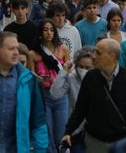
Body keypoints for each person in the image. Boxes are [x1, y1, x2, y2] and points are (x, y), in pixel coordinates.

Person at [62, 39, 126, 153]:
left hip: (123, 143)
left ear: (112, 57)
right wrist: (68, 132)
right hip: (94, 142)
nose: (93, 56)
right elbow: (80, 109)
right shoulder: (90, 77)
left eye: (98, 53)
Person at [31, 19, 70, 152]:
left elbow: (70, 70)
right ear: (40, 32)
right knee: (47, 132)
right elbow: (31, 75)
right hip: (44, 95)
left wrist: (65, 69)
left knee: (60, 132)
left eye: (52, 30)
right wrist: (39, 78)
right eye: (46, 29)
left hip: (61, 95)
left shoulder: (63, 48)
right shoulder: (33, 53)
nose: (49, 32)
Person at [51, 47, 95, 153]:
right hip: (76, 132)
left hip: (95, 132)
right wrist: (64, 71)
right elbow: (55, 94)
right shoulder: (71, 78)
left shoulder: (99, 79)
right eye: (81, 66)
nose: (84, 70)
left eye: (88, 67)